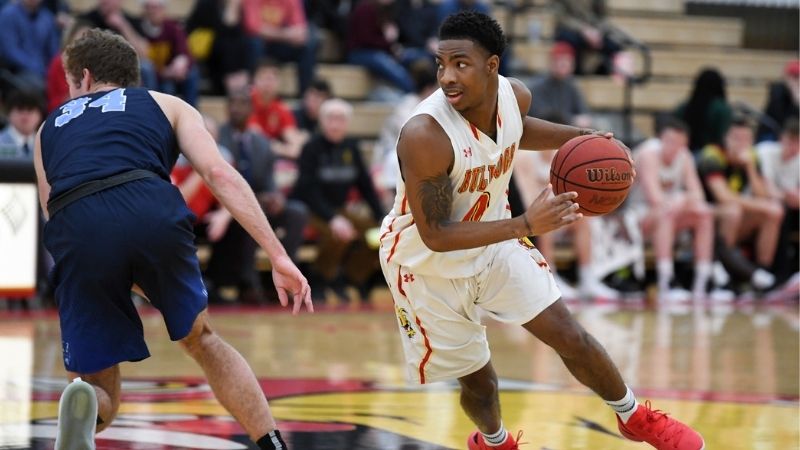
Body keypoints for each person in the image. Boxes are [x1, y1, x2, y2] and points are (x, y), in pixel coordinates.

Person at [378, 12, 703, 450]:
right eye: (441, 64)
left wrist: (584, 137)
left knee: (571, 336)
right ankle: (494, 442)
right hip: (426, 265)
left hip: (495, 243)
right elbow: (435, 233)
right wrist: (528, 224)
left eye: (461, 63)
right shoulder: (425, 134)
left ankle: (632, 416)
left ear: (492, 66)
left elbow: (517, 129)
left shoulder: (516, 97)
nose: (447, 76)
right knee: (481, 384)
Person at [33, 29, 311, 450]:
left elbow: (52, 213)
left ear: (84, 78)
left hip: (78, 227)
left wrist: (103, 273)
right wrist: (278, 254)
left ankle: (89, 403)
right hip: (149, 209)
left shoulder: (47, 129)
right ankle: (271, 443)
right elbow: (219, 174)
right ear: (132, 77)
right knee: (201, 339)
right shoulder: (167, 104)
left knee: (98, 379)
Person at [210, 88, 310, 303]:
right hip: (226, 209)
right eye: (232, 103)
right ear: (227, 108)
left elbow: (269, 181)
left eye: (242, 103)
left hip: (260, 204)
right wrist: (257, 199)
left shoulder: (261, 142)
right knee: (251, 214)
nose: (236, 108)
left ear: (251, 109)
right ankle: (248, 283)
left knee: (296, 212)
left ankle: (288, 275)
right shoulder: (217, 138)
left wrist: (276, 197)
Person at [292, 98, 385, 302]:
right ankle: (319, 279)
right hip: (310, 210)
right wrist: (333, 218)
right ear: (322, 121)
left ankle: (352, 278)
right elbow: (308, 191)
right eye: (330, 118)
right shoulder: (311, 147)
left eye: (340, 119)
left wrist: (382, 217)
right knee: (338, 234)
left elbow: (365, 185)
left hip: (339, 209)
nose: (335, 123)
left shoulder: (351, 147)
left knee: (378, 234)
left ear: (347, 123)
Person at [630, 117, 716, 301]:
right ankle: (665, 283)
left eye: (679, 143)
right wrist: (681, 199)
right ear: (660, 139)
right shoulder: (648, 154)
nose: (674, 147)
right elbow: (655, 199)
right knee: (665, 213)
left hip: (670, 214)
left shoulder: (684, 156)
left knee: (704, 214)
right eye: (670, 141)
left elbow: (698, 194)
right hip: (635, 217)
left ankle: (702, 284)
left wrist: (682, 198)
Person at [697, 115, 780, 291]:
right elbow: (722, 196)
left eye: (746, 139)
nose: (741, 144)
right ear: (726, 138)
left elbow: (762, 195)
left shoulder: (752, 157)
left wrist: (750, 168)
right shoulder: (713, 155)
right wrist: (762, 205)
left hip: (735, 213)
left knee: (773, 213)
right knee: (732, 211)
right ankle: (729, 276)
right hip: (706, 213)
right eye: (736, 138)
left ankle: (762, 273)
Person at [674, 68, 733, 153]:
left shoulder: (683, 107)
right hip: (713, 156)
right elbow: (724, 137)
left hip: (685, 153)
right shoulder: (722, 109)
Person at [0, 89, 44, 159]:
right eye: (20, 109)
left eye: (30, 109)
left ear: (39, 115)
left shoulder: (46, 144)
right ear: (8, 114)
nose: (25, 114)